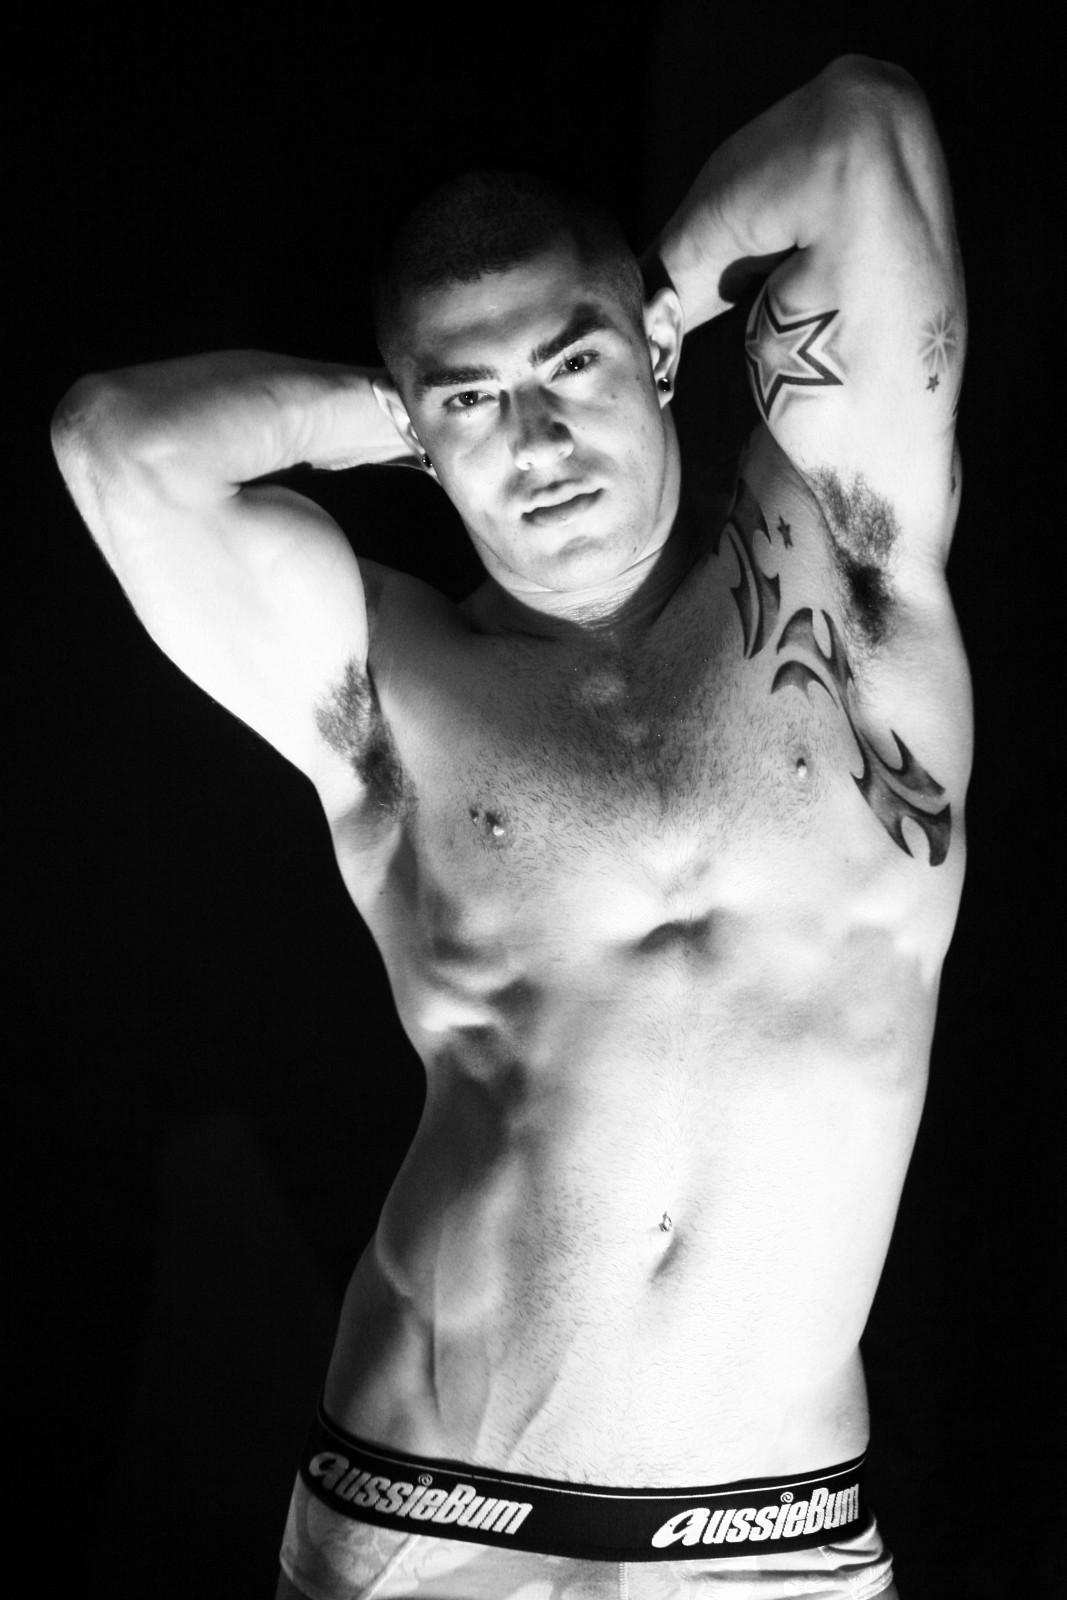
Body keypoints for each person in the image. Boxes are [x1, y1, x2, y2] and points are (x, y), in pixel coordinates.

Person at [52, 50, 969, 1600]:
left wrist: (654, 297)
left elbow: (862, 124)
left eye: (573, 366)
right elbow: (112, 444)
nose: (534, 442)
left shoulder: (847, 560)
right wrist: (403, 412)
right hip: (434, 1499)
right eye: (473, 401)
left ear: (656, 354)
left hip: (776, 1525)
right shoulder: (387, 682)